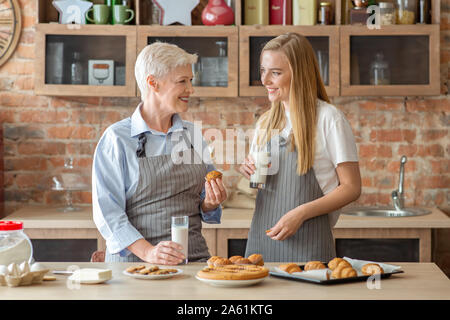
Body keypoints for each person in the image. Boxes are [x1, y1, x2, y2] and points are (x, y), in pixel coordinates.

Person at [92, 42, 227, 264]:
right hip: (137, 268)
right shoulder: (117, 138)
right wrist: (149, 253)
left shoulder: (191, 135)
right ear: (153, 83)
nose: (190, 89)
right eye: (182, 81)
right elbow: (108, 214)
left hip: (192, 262)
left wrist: (210, 203)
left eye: (190, 81)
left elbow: (201, 202)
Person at [239, 33, 361, 262]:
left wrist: (300, 213)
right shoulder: (266, 121)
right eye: (263, 70)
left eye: (275, 73)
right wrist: (248, 170)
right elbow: (263, 185)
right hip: (262, 243)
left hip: (310, 247)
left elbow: (351, 187)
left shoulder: (329, 119)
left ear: (299, 73)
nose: (265, 80)